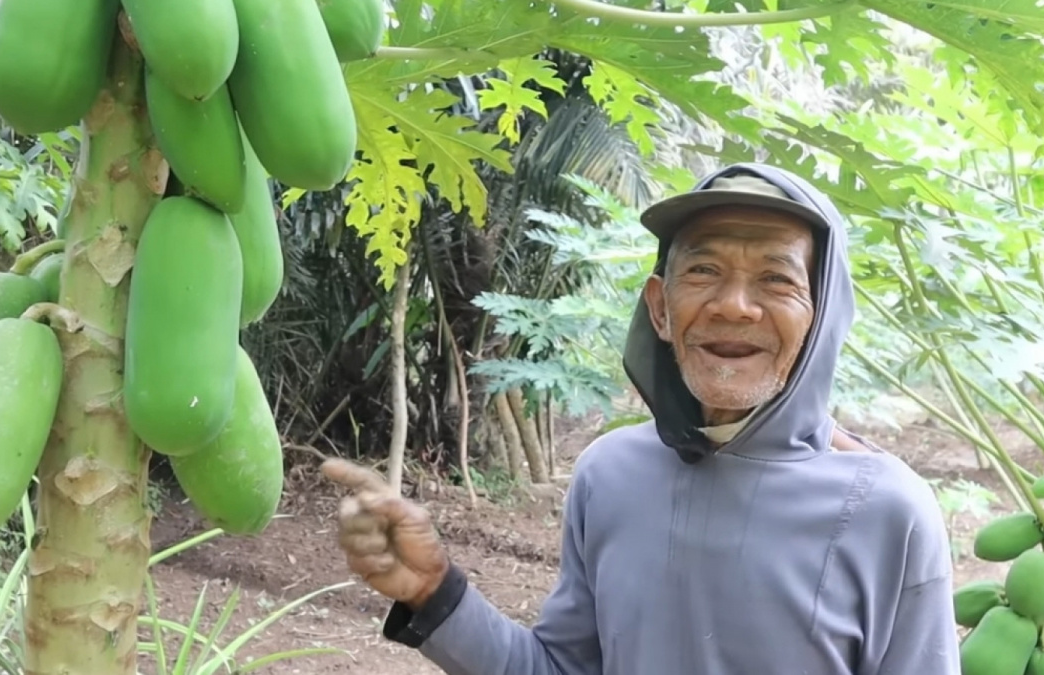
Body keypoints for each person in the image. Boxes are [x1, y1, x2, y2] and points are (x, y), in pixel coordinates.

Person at [321, 162, 961, 674]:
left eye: (775, 279)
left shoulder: (889, 512)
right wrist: (435, 593)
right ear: (660, 308)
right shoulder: (611, 474)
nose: (734, 306)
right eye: (704, 271)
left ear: (822, 318)